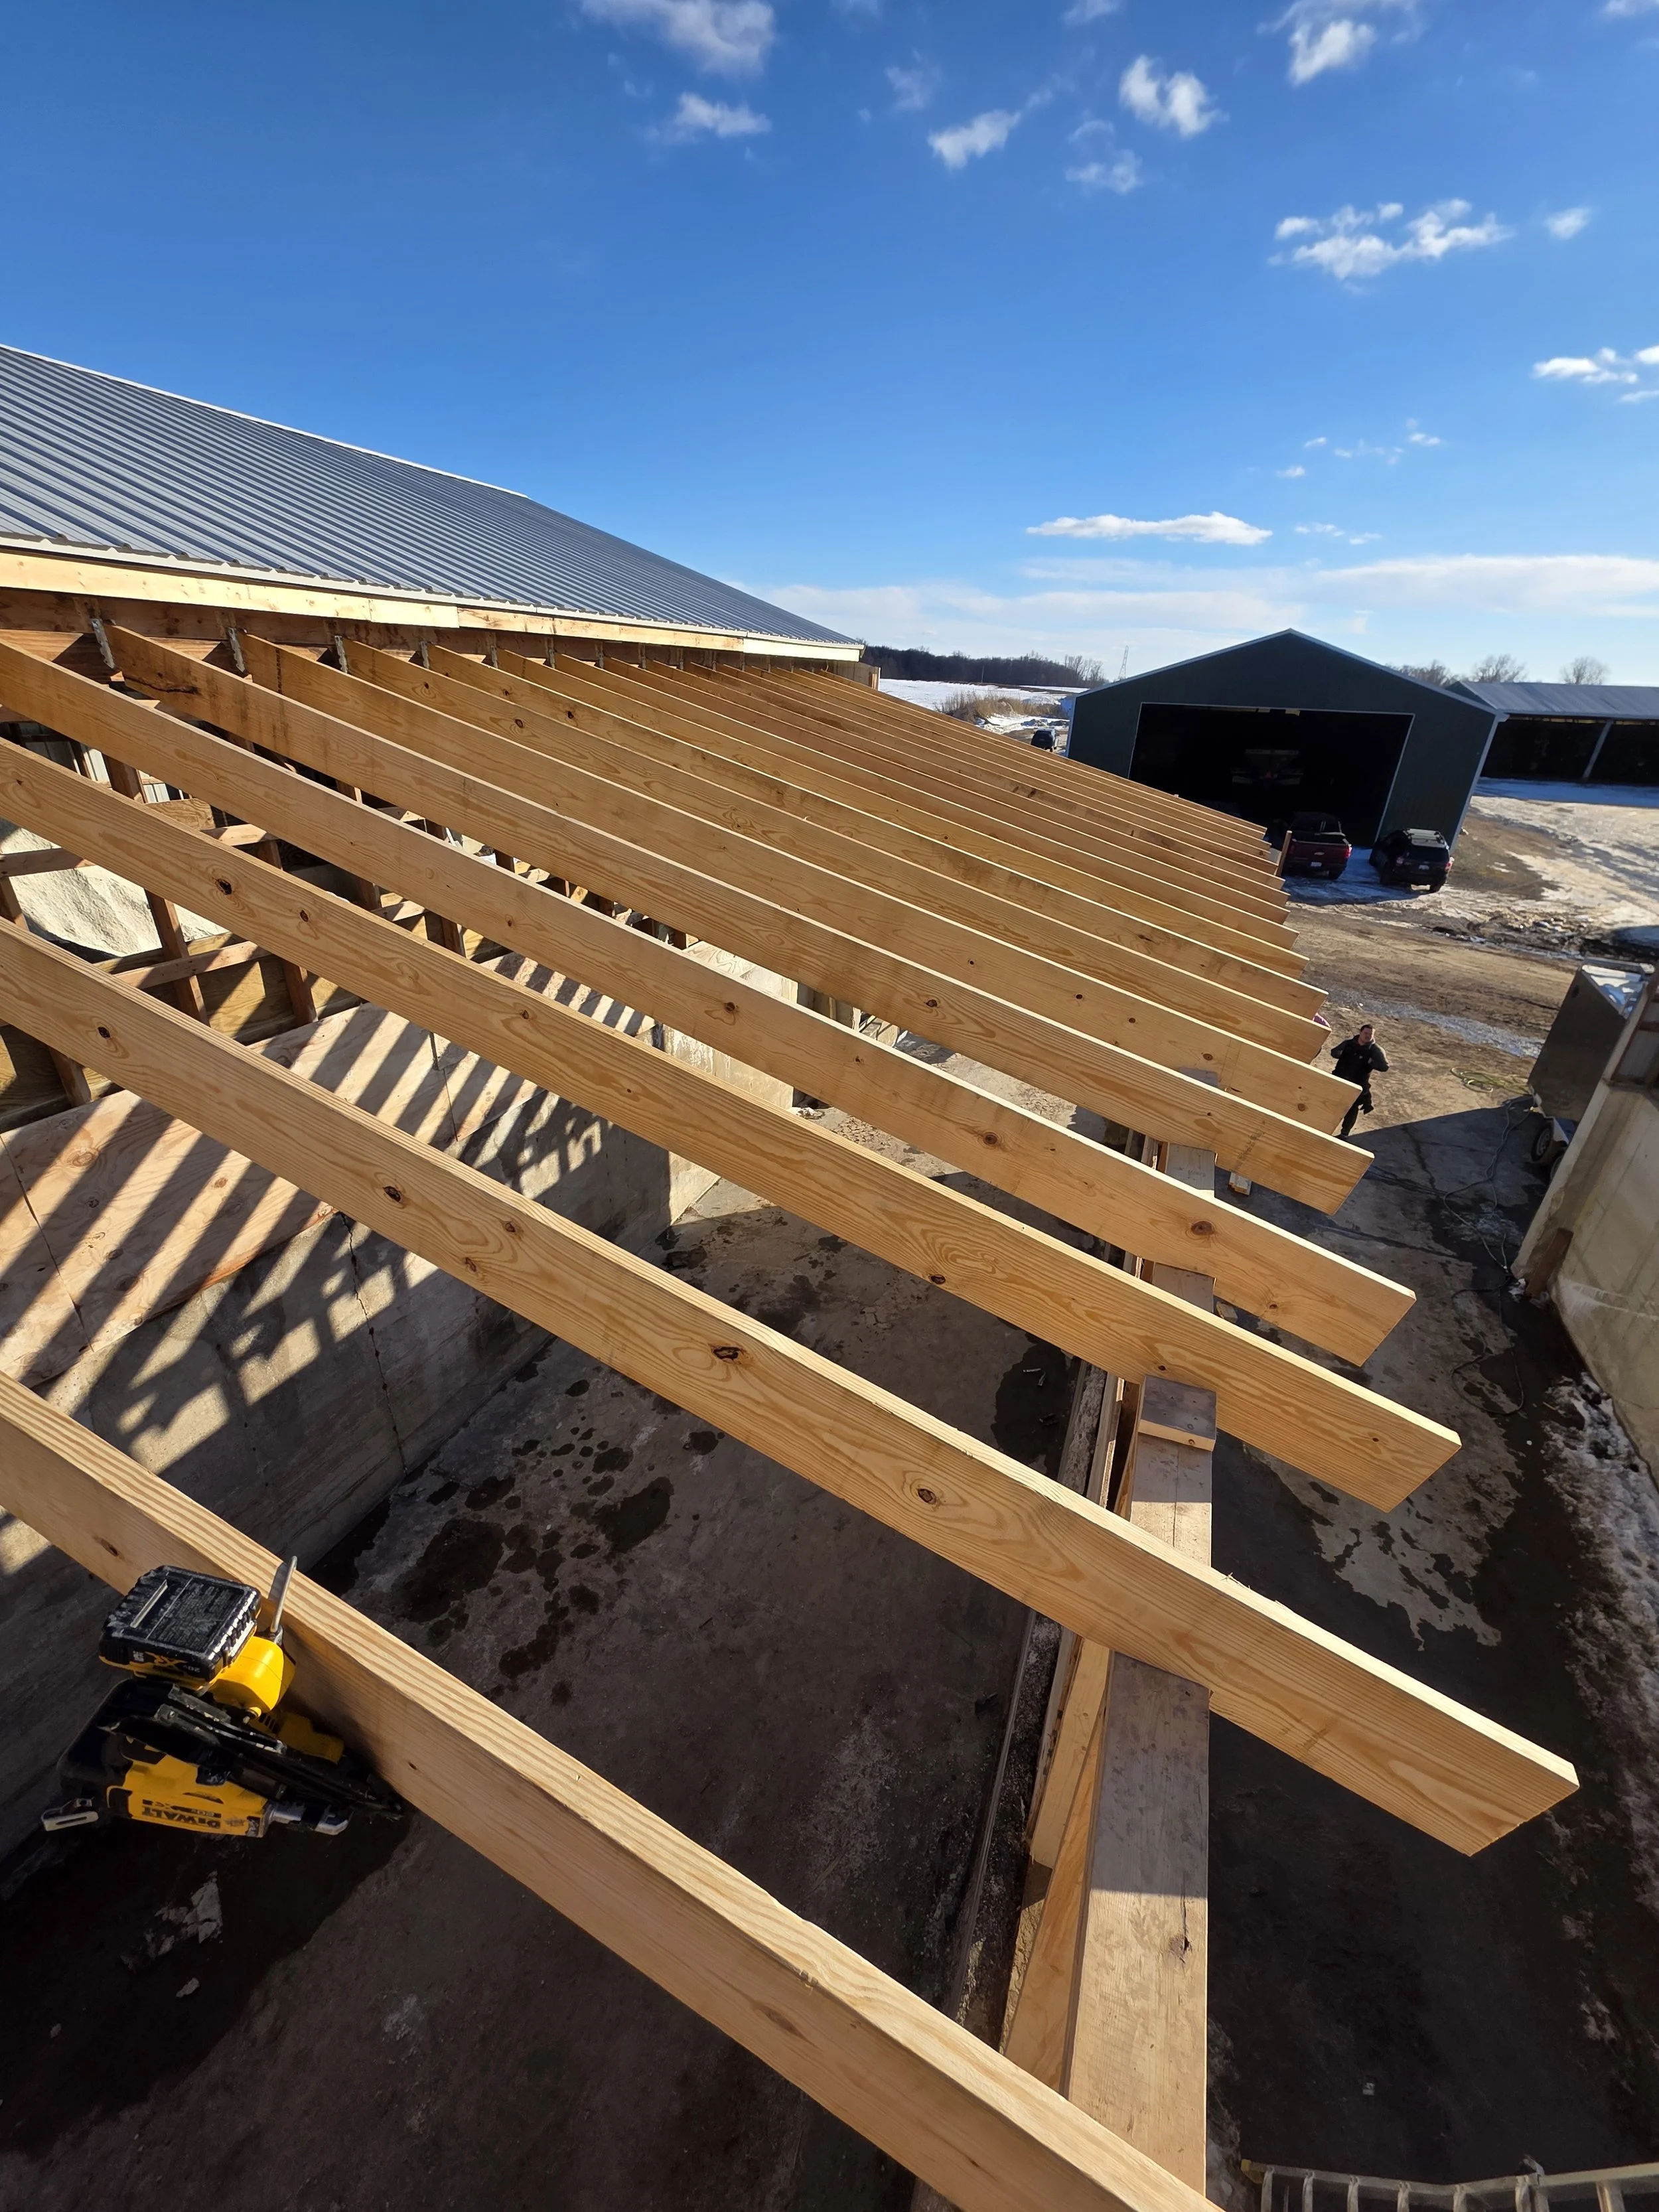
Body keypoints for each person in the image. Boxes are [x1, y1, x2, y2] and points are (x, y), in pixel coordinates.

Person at [1332, 1022, 1388, 1140]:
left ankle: (1344, 1134)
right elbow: (1334, 1052)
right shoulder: (1349, 1044)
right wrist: (1339, 1053)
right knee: (1331, 1104)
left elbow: (1385, 1066)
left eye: (1370, 1034)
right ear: (1360, 1032)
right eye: (1366, 1033)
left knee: (1352, 1110)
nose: (1368, 1036)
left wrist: (1372, 1063)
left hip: (1358, 1084)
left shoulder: (1375, 1050)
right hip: (1339, 1080)